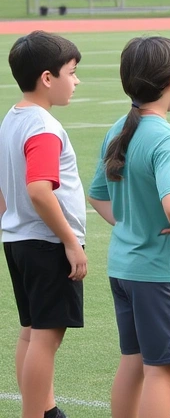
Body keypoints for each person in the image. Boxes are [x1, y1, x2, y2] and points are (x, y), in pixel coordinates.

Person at [87, 36, 170, 418]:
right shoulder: (168, 138)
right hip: (158, 271)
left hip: (123, 267)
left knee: (133, 362)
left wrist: (130, 225)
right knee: (160, 370)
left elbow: (98, 195)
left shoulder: (120, 127)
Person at [1, 31, 85, 418]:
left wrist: (10, 220)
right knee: (47, 338)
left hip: (19, 239)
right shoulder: (44, 126)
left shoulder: (12, 118)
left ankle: (43, 409)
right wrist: (69, 240)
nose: (77, 80)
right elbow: (38, 189)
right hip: (46, 242)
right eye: (72, 72)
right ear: (48, 78)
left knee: (31, 332)